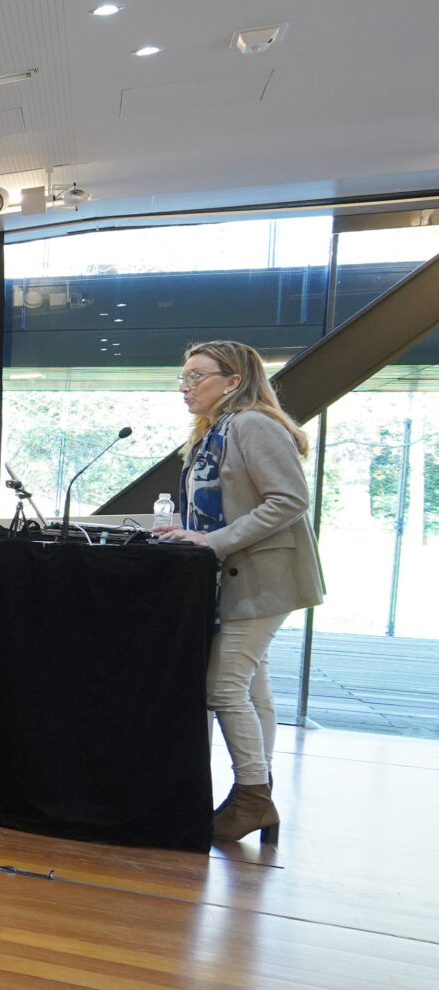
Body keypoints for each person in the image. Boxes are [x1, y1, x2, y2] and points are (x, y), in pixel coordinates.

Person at [154, 340, 325, 843]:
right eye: (182, 377)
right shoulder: (214, 432)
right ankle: (257, 793)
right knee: (252, 687)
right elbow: (219, 507)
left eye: (196, 376)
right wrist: (187, 532)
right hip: (237, 578)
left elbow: (289, 500)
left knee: (223, 688)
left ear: (233, 382)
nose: (185, 387)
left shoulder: (252, 424)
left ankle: (251, 796)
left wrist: (212, 541)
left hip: (263, 576)